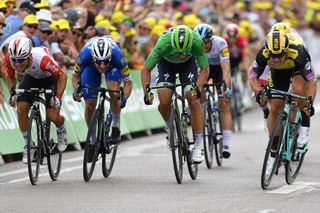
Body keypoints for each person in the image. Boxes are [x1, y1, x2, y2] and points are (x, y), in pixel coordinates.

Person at [141, 25, 209, 163]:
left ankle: (199, 145)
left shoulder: (196, 41)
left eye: (185, 51)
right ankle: (169, 126)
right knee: (164, 100)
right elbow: (146, 69)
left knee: (193, 98)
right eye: (179, 52)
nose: (182, 55)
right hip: (166, 64)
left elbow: (205, 69)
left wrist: (198, 87)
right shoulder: (163, 43)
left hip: (188, 65)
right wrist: (147, 91)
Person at [249, 30, 317, 151]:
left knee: (298, 89)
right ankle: (274, 147)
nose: (276, 59)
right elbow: (253, 77)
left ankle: (305, 127)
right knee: (274, 107)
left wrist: (310, 102)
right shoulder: (263, 54)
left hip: (296, 68)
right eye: (273, 56)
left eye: (280, 55)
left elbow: (312, 82)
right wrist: (259, 92)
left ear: (286, 50)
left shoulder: (298, 53)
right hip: (278, 72)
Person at [6, 37, 68, 163]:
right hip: (31, 78)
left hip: (50, 79)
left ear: (29, 56)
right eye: (15, 60)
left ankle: (61, 128)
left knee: (52, 116)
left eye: (21, 60)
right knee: (21, 110)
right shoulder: (11, 59)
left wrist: (58, 98)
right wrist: (13, 93)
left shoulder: (42, 60)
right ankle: (29, 145)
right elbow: (10, 76)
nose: (17, 64)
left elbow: (63, 75)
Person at [72, 36, 132, 145]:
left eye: (105, 61)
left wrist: (123, 98)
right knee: (90, 104)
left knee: (113, 92)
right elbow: (75, 76)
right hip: (90, 68)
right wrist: (77, 89)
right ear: (93, 57)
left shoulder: (117, 56)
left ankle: (115, 125)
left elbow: (128, 82)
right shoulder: (84, 55)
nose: (102, 65)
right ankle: (93, 140)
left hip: (112, 67)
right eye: (99, 62)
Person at [194, 23, 232, 158]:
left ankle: (226, 142)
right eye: (200, 43)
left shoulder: (221, 43)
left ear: (211, 40)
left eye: (205, 43)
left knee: (224, 104)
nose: (203, 46)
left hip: (218, 70)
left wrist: (226, 86)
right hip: (204, 70)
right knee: (199, 95)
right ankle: (203, 118)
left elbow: (226, 68)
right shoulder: (194, 47)